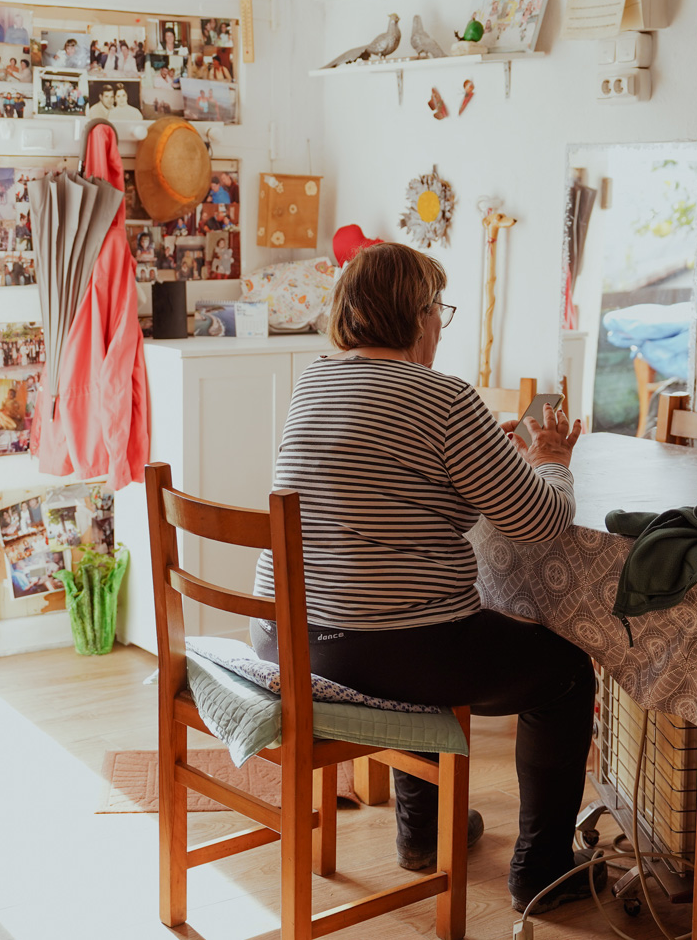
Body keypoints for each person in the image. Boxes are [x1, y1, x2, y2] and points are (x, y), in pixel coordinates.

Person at [248, 242, 602, 911]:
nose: (441, 324)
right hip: (380, 654)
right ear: (416, 315)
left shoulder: (313, 381)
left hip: (285, 640)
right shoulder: (445, 397)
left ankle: (425, 833)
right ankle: (543, 870)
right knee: (562, 671)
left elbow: (391, 487)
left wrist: (484, 452)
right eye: (438, 309)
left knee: (421, 616)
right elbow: (543, 520)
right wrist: (551, 459)